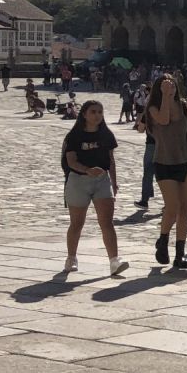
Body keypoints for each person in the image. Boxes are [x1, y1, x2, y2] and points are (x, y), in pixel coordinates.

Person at [60, 100, 129, 277]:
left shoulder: (106, 134)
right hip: (78, 180)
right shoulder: (74, 136)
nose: (97, 115)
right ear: (84, 114)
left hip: (102, 181)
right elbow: (71, 161)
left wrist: (114, 182)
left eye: (100, 112)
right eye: (93, 112)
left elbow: (111, 160)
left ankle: (114, 260)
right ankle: (71, 257)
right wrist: (87, 170)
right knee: (77, 223)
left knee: (106, 221)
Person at [144, 74, 187, 269]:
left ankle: (180, 254)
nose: (171, 89)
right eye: (166, 87)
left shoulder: (184, 105)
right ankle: (163, 239)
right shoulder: (152, 109)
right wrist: (165, 97)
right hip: (164, 162)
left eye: (173, 86)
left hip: (186, 160)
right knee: (172, 206)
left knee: (185, 208)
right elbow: (164, 121)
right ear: (159, 89)